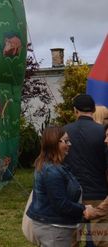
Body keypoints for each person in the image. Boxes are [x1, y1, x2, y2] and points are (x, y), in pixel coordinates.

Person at [26, 126, 93, 246]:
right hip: (54, 229)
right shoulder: (51, 171)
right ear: (54, 143)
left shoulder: (54, 167)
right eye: (66, 141)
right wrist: (84, 208)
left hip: (54, 227)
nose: (69, 144)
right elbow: (61, 204)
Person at [65, 94, 108, 247]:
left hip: (71, 196)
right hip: (98, 196)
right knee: (98, 242)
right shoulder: (103, 133)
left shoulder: (64, 132)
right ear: (94, 110)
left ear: (75, 110)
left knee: (70, 242)